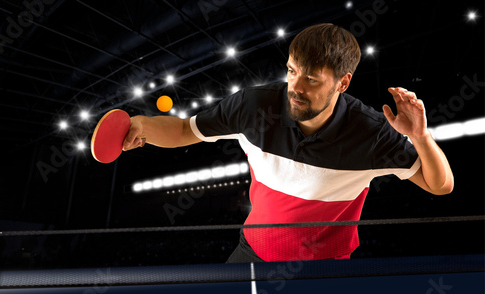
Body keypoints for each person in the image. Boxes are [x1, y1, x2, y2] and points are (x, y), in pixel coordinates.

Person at [123, 23, 454, 262]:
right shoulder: (253, 107)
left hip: (324, 270)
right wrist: (145, 126)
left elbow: (440, 185)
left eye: (311, 79)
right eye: (292, 71)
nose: (296, 86)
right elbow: (184, 131)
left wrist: (420, 137)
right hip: (251, 252)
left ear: (342, 83)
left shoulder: (371, 133)